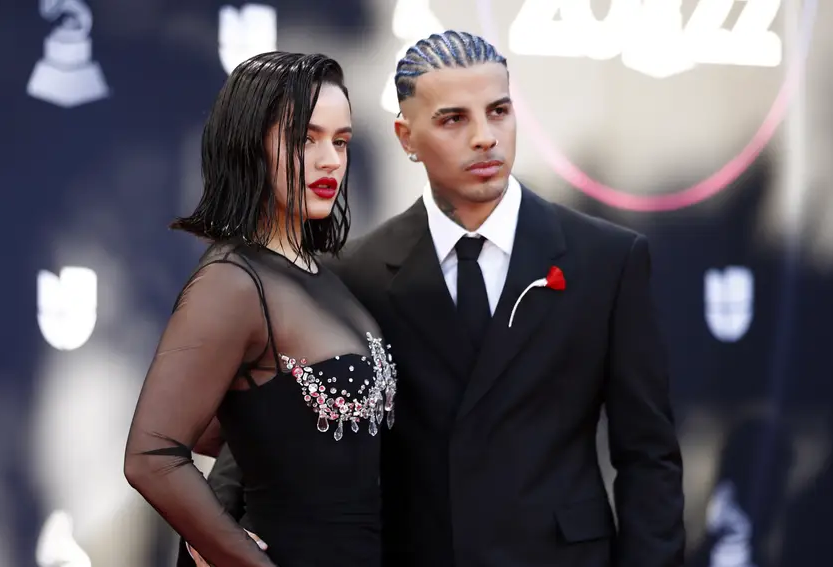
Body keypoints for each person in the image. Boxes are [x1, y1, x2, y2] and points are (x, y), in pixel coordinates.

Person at [189, 30, 685, 567]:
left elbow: (648, 455)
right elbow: (271, 427)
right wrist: (215, 531)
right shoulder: (357, 273)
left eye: (499, 112)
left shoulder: (606, 260)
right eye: (454, 119)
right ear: (406, 136)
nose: (485, 138)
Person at [123, 51, 396, 567]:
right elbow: (152, 455)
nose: (330, 160)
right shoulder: (232, 282)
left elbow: (253, 424)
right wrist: (228, 547)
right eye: (305, 139)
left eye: (340, 141)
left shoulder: (322, 279)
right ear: (249, 146)